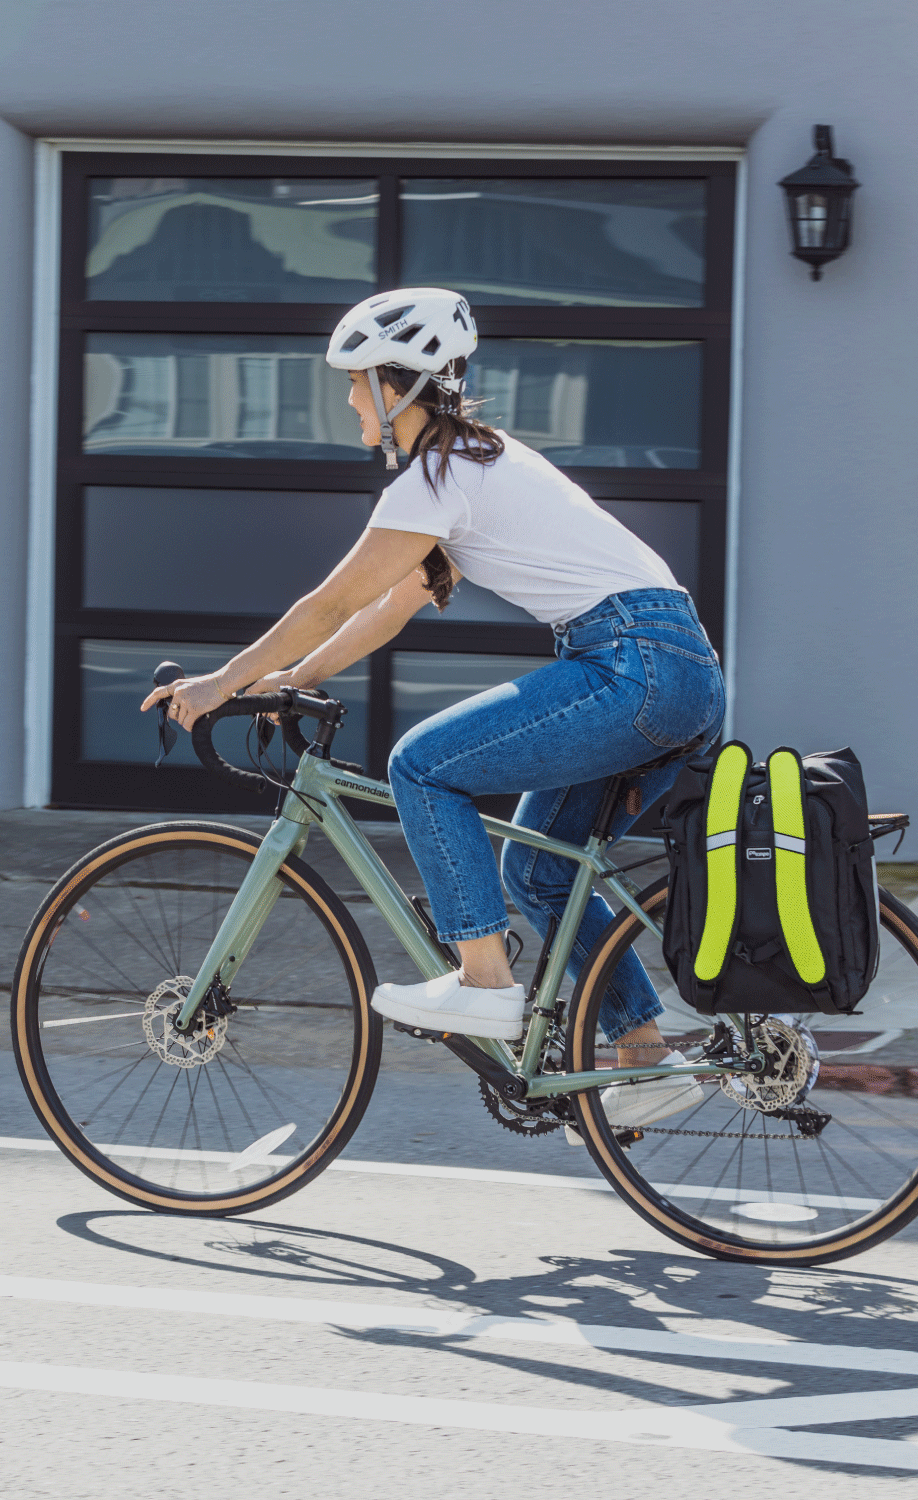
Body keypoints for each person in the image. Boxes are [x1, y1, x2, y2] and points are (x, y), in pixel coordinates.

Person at [142, 287, 724, 1128]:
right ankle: (643, 1053)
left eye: (356, 383)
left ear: (396, 386)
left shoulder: (440, 474)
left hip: (630, 663)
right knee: (537, 869)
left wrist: (220, 683)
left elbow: (331, 600)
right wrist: (285, 679)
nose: (348, 400)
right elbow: (387, 606)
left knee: (421, 764)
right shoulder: (478, 465)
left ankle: (486, 983)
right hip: (672, 667)